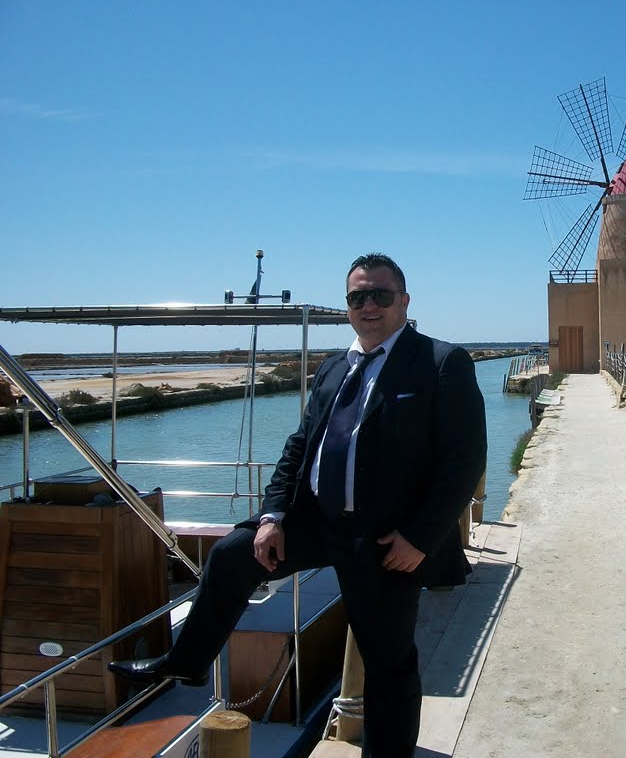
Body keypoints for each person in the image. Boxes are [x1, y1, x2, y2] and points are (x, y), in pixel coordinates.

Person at [110, 253, 487, 758]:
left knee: (388, 662)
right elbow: (299, 447)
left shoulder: (440, 362)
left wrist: (421, 536)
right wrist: (272, 516)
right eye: (358, 297)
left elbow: (464, 462)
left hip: (385, 539)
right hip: (319, 521)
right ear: (347, 306)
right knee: (232, 554)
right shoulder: (334, 366)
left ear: (404, 301)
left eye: (380, 294)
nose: (368, 305)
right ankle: (188, 661)